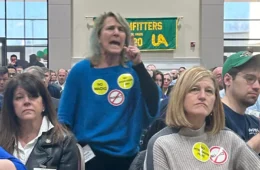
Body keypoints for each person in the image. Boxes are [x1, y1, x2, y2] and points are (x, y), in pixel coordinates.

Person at [58, 11, 159, 170]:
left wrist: (139, 65)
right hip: (89, 157)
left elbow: (153, 107)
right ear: (98, 37)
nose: (116, 33)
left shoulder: (134, 70)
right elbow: (64, 119)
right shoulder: (81, 71)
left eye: (121, 29)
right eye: (110, 28)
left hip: (127, 158)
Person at [144, 67, 260, 170]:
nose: (202, 96)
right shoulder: (161, 143)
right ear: (180, 96)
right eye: (194, 89)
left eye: (209, 91)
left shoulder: (229, 138)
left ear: (215, 100)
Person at [0, 73, 78, 170]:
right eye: (19, 97)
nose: (26, 101)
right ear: (11, 106)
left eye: (33, 96)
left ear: (44, 104)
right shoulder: (1, 137)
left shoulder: (64, 141)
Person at [221, 52, 260, 153]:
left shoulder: (254, 122)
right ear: (228, 80)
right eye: (250, 79)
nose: (257, 86)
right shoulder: (213, 117)